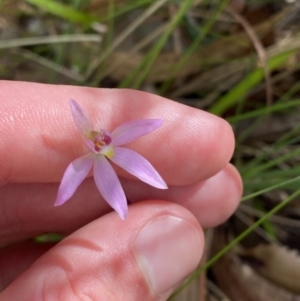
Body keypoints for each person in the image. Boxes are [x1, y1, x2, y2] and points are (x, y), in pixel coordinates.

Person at [0, 81, 242, 301]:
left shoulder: (117, 146)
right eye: (96, 141)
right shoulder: (81, 165)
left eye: (102, 139)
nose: (100, 141)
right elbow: (69, 188)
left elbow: (150, 128)